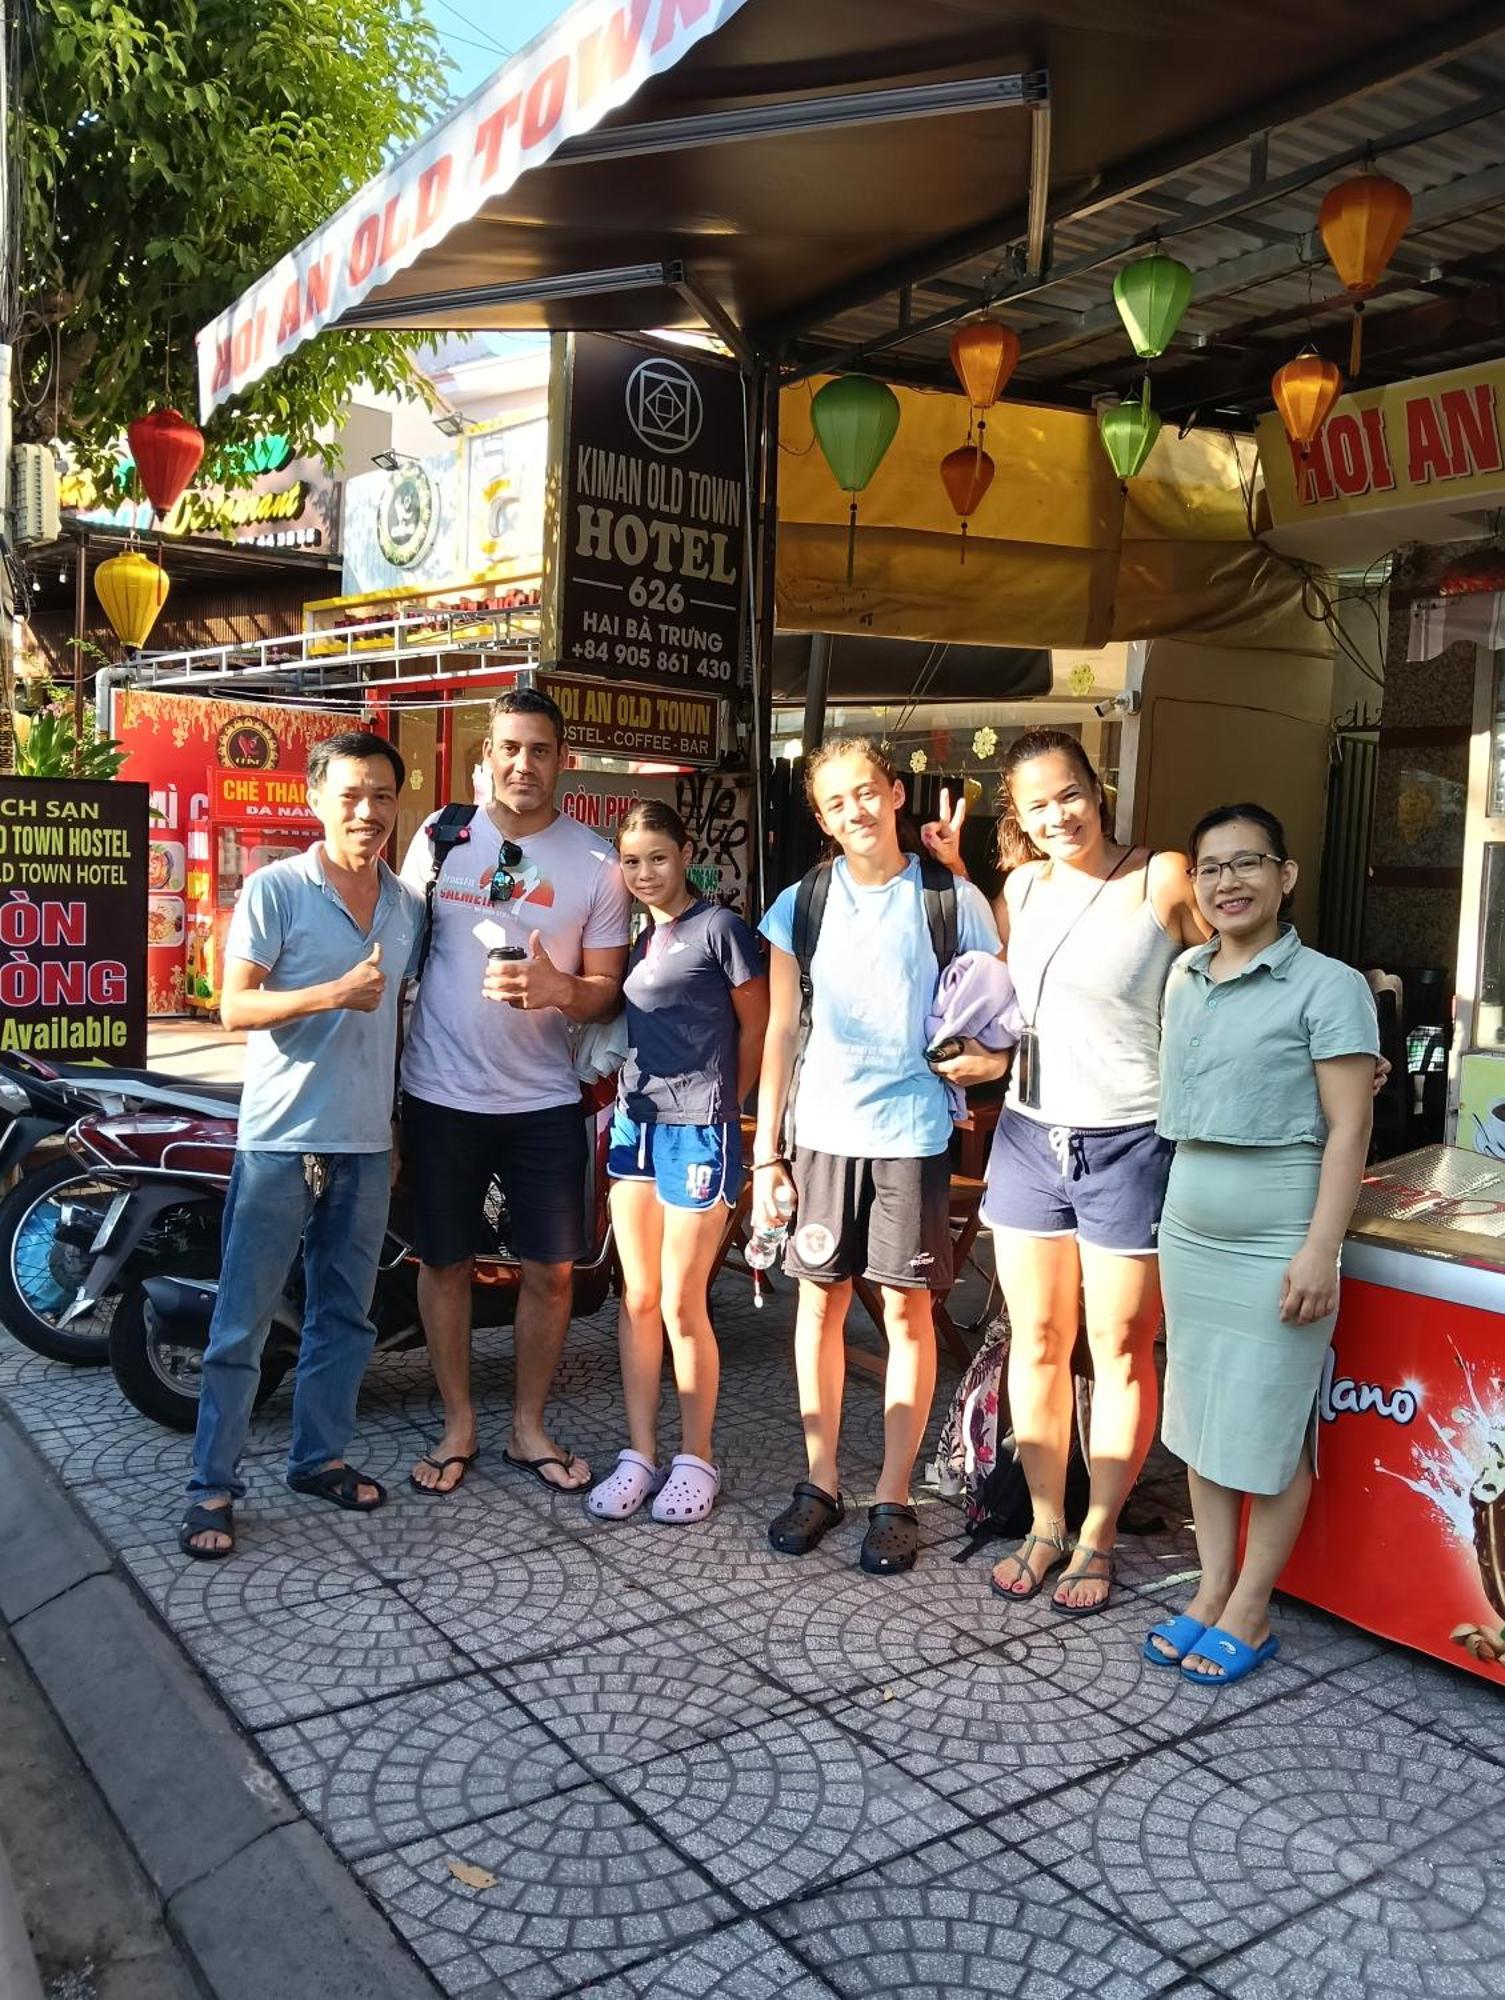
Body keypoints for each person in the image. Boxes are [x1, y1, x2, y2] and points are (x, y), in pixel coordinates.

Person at [924, 729, 1206, 1614]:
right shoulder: (1019, 889)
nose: (1058, 816)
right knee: (1036, 1342)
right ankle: (1047, 1521)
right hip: (1028, 1140)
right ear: (1020, 815)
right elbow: (1017, 1017)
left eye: (1070, 795)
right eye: (1038, 804)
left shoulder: (1159, 876)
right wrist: (981, 1060)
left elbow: (1227, 972)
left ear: (1098, 788)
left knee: (1120, 1348)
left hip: (1130, 1141)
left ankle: (1098, 1534)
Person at [753, 738, 1001, 1576]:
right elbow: (781, 1030)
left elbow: (992, 1008)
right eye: (836, 802)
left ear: (895, 795)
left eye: (867, 792)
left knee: (904, 1314)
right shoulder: (800, 902)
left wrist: (982, 1061)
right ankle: (818, 1482)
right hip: (821, 1133)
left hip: (913, 1137)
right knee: (817, 1305)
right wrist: (766, 1154)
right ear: (820, 818)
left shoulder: (951, 897)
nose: (856, 810)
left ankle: (893, 1495)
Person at [1145, 804, 1376, 1684]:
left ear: (1285, 877)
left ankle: (1252, 1603)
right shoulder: (1183, 975)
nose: (1227, 882)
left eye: (1248, 863)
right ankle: (1209, 1588)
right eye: (1210, 867)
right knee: (1202, 1421)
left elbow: (1348, 1128)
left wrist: (1320, 1248)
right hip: (1191, 1219)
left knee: (1270, 1428)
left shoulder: (1327, 984)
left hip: (1281, 1222)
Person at [179, 731, 423, 1559]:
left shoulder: (407, 905)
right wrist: (333, 992)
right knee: (242, 1323)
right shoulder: (276, 890)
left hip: (362, 1141)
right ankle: (211, 1485)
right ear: (317, 800)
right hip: (280, 1139)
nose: (368, 812)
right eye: (351, 795)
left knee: (345, 1317)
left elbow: (401, 1019)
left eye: (382, 796)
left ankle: (317, 1458)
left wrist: (393, 1125)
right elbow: (234, 1008)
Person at [399, 688, 630, 1496]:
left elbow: (606, 990)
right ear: (484, 756)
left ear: (562, 760)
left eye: (538, 750)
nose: (522, 764)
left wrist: (556, 989)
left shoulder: (597, 864)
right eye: (509, 748)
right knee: (445, 1260)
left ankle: (528, 1426)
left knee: (553, 1271)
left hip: (541, 1100)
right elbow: (401, 951)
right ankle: (458, 1421)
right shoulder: (440, 836)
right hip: (437, 1089)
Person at [585, 801, 768, 1524]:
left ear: (685, 853)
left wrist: (731, 1104)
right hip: (636, 1124)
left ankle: (697, 1459)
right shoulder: (638, 939)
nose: (644, 873)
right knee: (636, 1298)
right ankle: (639, 1454)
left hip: (701, 1131)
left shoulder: (721, 929)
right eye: (631, 862)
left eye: (656, 857)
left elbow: (757, 1025)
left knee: (682, 1302)